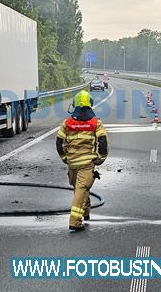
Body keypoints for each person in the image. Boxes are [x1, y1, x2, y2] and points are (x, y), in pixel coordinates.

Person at [56, 90, 108, 231]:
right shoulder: (95, 122)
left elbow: (59, 142)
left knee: (79, 187)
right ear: (90, 104)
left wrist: (65, 158)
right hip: (86, 164)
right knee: (82, 188)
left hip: (72, 162)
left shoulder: (67, 123)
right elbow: (103, 143)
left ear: (75, 104)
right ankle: (75, 221)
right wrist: (100, 159)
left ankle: (85, 211)